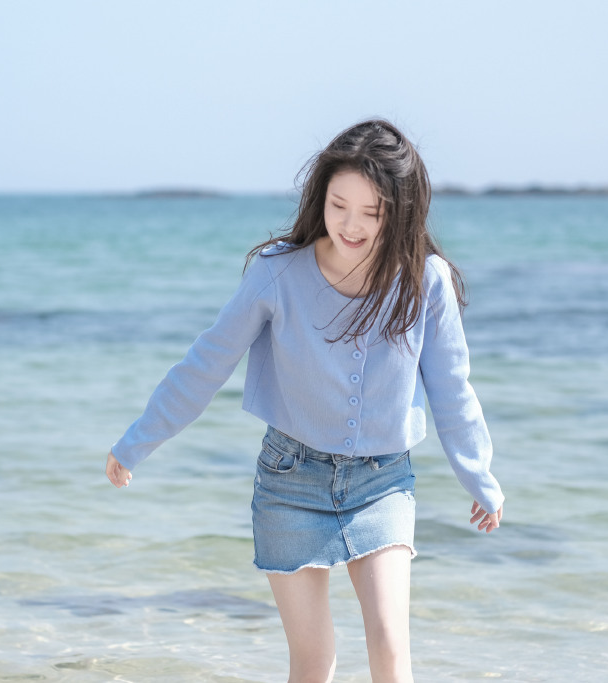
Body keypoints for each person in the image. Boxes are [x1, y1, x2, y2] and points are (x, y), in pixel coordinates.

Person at [105, 119, 504, 683]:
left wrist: (479, 475)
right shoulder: (277, 272)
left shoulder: (425, 280)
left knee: (391, 650)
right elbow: (206, 364)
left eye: (374, 212)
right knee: (315, 664)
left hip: (383, 481)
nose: (352, 224)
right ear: (321, 197)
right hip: (290, 480)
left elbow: (452, 387)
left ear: (403, 211)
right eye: (339, 205)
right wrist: (136, 443)